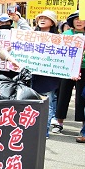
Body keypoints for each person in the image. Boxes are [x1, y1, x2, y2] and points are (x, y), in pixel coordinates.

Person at [52, 11, 85, 134]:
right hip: (67, 69)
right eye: (76, 19)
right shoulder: (66, 34)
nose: (79, 21)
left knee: (82, 97)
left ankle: (84, 125)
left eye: (81, 19)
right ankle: (59, 122)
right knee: (63, 95)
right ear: (72, 21)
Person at [30, 10, 60, 138]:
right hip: (32, 76)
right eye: (40, 18)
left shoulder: (60, 39)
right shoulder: (30, 35)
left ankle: (44, 131)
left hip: (49, 77)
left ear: (52, 22)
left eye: (46, 18)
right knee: (31, 102)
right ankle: (31, 129)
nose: (42, 20)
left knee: (46, 103)